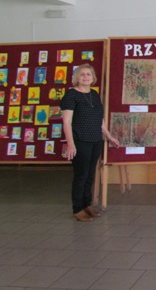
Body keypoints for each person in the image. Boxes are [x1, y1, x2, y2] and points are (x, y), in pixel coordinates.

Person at [60, 64, 119, 222]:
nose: (86, 77)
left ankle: (87, 205)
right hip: (80, 141)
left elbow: (99, 119)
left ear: (93, 78)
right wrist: (71, 144)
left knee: (90, 175)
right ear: (76, 77)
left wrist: (109, 136)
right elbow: (66, 123)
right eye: (82, 74)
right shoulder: (71, 95)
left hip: (95, 140)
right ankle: (77, 208)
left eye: (88, 74)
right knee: (81, 175)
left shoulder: (94, 94)